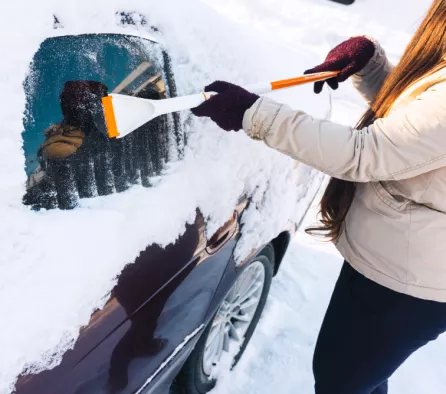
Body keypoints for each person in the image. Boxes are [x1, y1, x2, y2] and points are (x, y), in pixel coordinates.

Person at [191, 1, 446, 393]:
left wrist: (252, 113)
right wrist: (372, 67)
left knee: (341, 381)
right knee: (356, 379)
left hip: (410, 283)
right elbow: (419, 134)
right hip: (403, 263)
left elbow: (364, 154)